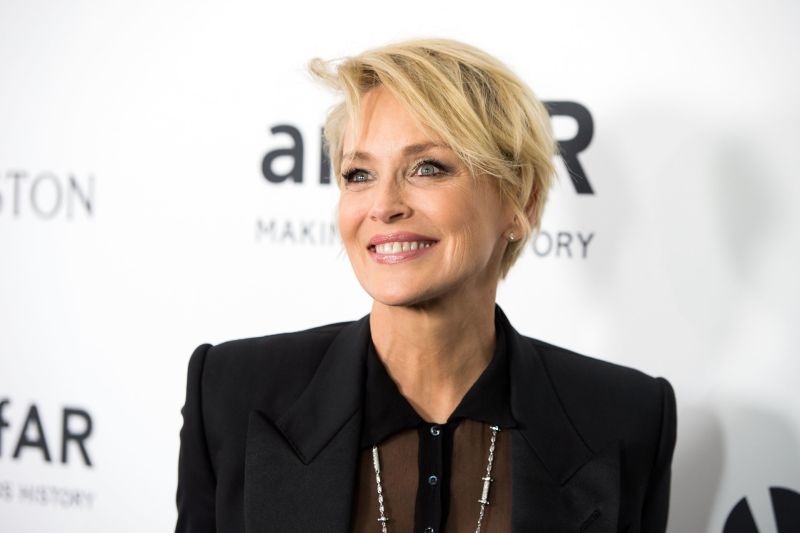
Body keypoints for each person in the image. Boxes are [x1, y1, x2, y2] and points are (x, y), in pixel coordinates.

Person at [175, 39, 676, 533]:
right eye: (359, 174)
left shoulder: (627, 417)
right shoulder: (233, 393)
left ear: (519, 201)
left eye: (427, 168)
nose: (383, 206)